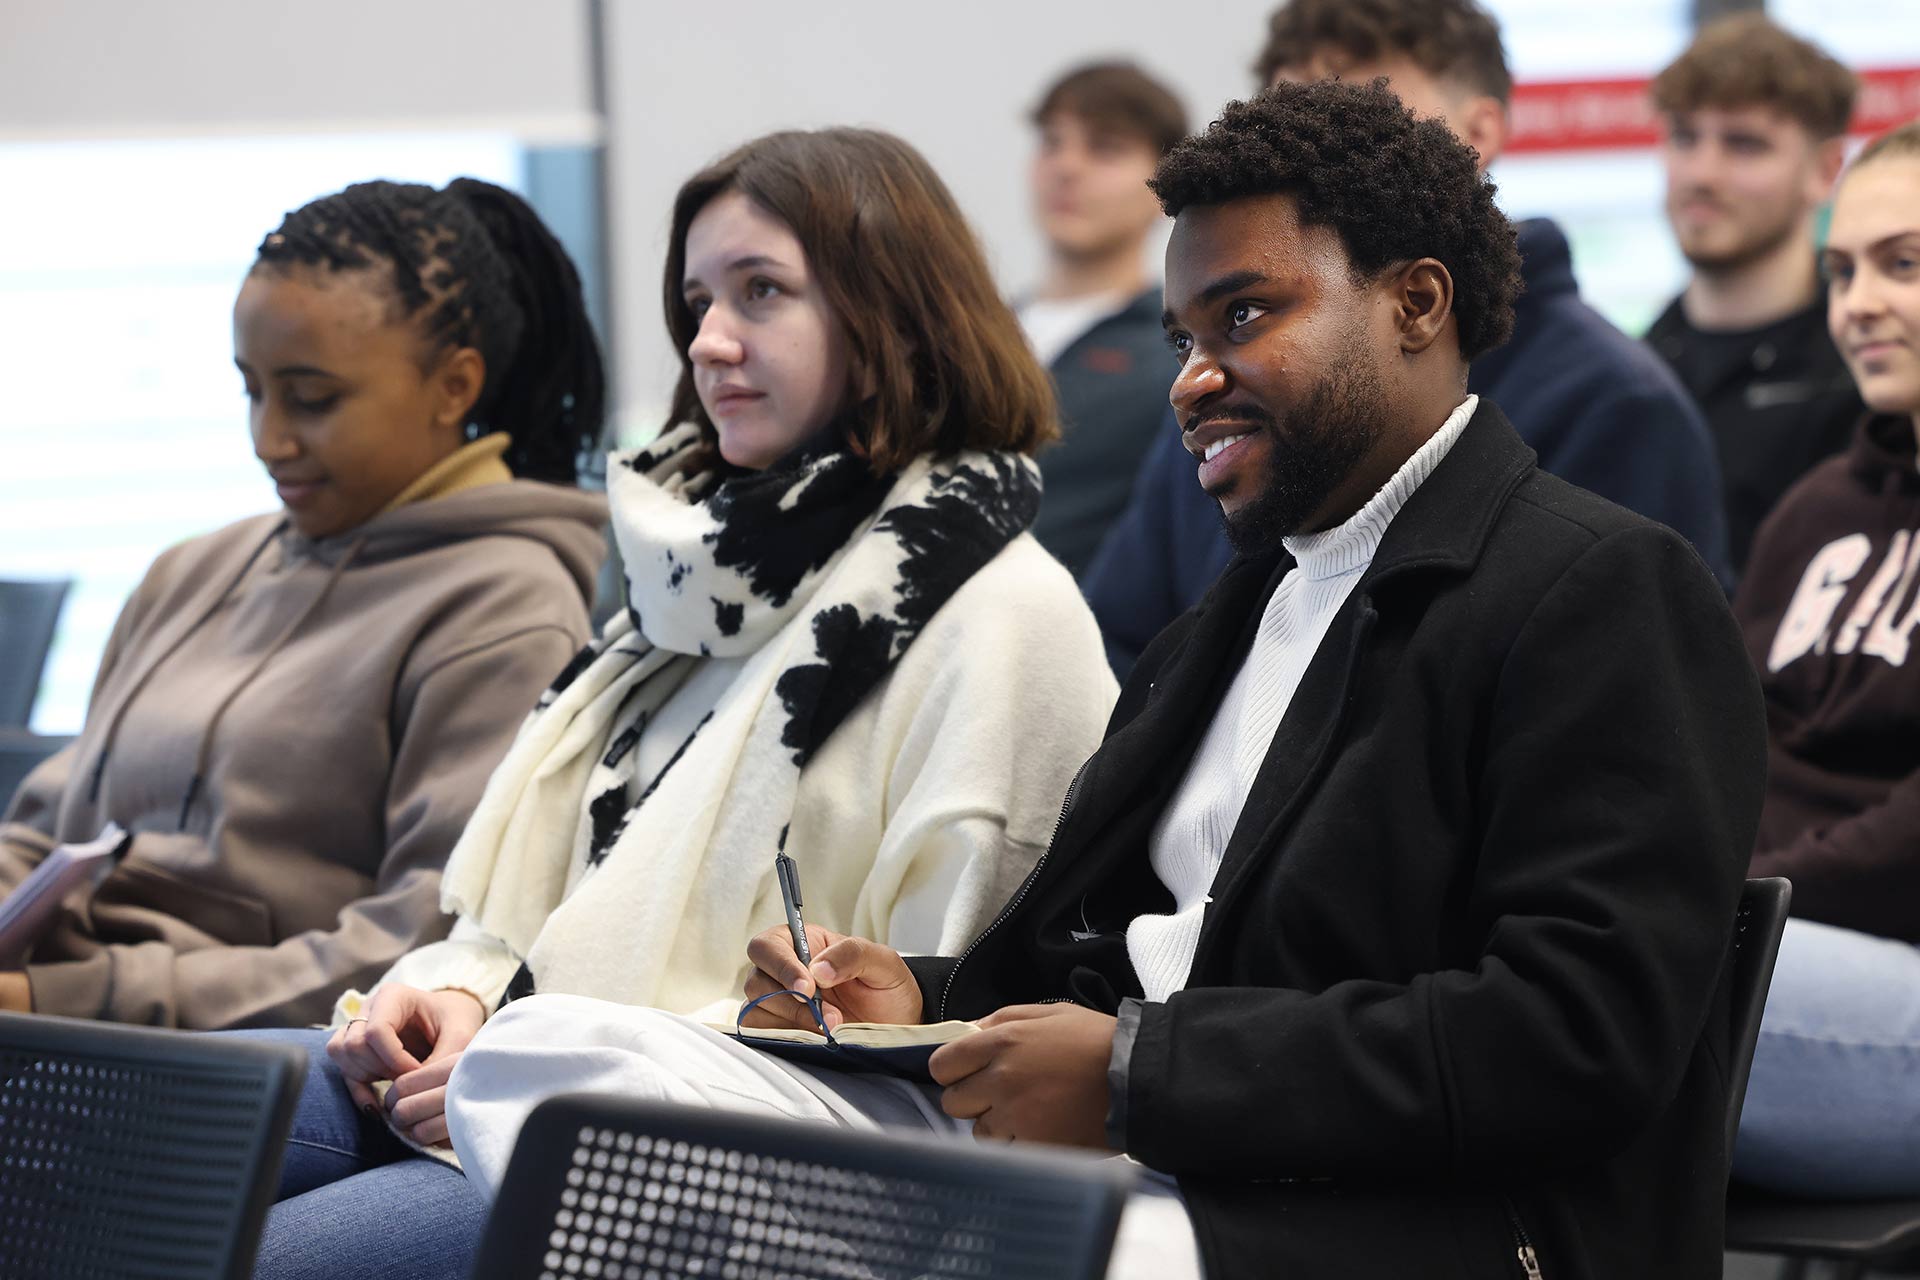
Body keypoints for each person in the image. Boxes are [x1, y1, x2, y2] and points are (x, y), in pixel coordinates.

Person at [444, 80, 1766, 1280]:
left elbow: (1577, 1037)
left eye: (1244, 316)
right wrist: (923, 999)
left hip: (1387, 1220)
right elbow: (1118, 964)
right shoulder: (1237, 612)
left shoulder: (1597, 587)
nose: (1194, 377)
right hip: (1144, 1158)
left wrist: (1143, 1078)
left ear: (1416, 304)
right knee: (551, 1062)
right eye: (1183, 330)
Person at [244, 128, 1117, 1280]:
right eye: (698, 298)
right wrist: (453, 996)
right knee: (120, 1136)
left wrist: (534, 1058)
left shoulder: (1004, 616)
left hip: (719, 1152)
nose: (709, 340)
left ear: (893, 317)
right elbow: (525, 914)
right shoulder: (691, 583)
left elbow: (925, 1034)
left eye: (762, 292)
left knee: (251, 1252)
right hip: (532, 1072)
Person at [0, 178, 608, 1029]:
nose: (268, 439)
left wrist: (60, 1001)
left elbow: (424, 946)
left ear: (454, 386)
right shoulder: (191, 571)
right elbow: (45, 830)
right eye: (252, 389)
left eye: (314, 399)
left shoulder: (505, 609)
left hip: (228, 1065)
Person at [1084, 0, 1730, 674]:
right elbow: (1122, 647)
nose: (1302, 149)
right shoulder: (1223, 390)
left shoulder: (1614, 403)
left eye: (1353, 110)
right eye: (1283, 117)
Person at [1730, 120, 1920, 1198]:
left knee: (1604, 980)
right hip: (1777, 941)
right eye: (1842, 269)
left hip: (1864, 957)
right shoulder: (1821, 506)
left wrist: (1738, 898)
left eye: (1905, 265)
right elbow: (1728, 746)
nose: (1858, 304)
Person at [1648, 14, 1863, 578]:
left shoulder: (1865, 378)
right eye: (1684, 137)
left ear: (1825, 170)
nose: (1701, 172)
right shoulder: (1627, 369)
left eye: (1744, 145)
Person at [1018, 61, 1188, 577]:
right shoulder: (963, 331)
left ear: (1164, 185)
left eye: (1104, 147)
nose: (1066, 166)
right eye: (1052, 142)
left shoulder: (1179, 357)